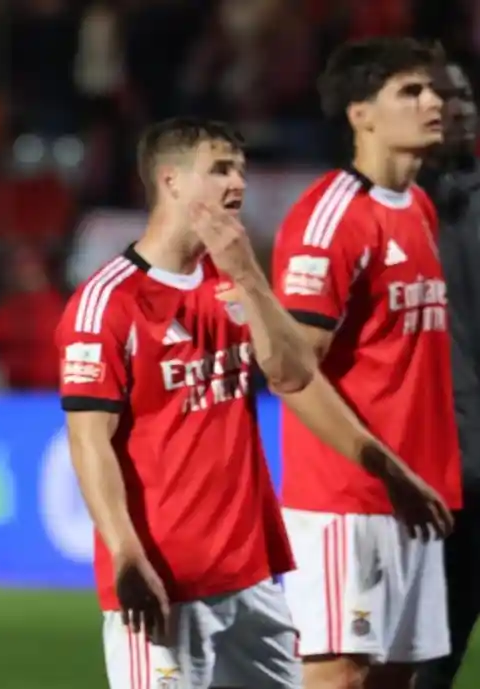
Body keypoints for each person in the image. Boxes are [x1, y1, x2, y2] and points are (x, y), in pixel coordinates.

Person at [59, 116, 449, 689]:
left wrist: (247, 274)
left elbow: (295, 374)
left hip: (251, 575)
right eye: (219, 170)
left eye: (240, 168)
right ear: (171, 182)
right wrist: (124, 555)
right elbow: (89, 439)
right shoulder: (108, 303)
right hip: (168, 577)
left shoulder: (231, 279)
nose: (237, 182)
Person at [271, 37, 460, 689]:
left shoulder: (421, 209)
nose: (432, 100)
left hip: (420, 496)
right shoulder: (331, 219)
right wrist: (383, 464)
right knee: (337, 675)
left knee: (396, 678)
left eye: (432, 88)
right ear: (360, 113)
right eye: (410, 91)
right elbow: (292, 374)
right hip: (345, 499)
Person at [415, 60, 480, 689]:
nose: (457, 107)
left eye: (464, 95)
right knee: (425, 669)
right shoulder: (385, 213)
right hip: (439, 488)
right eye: (439, 96)